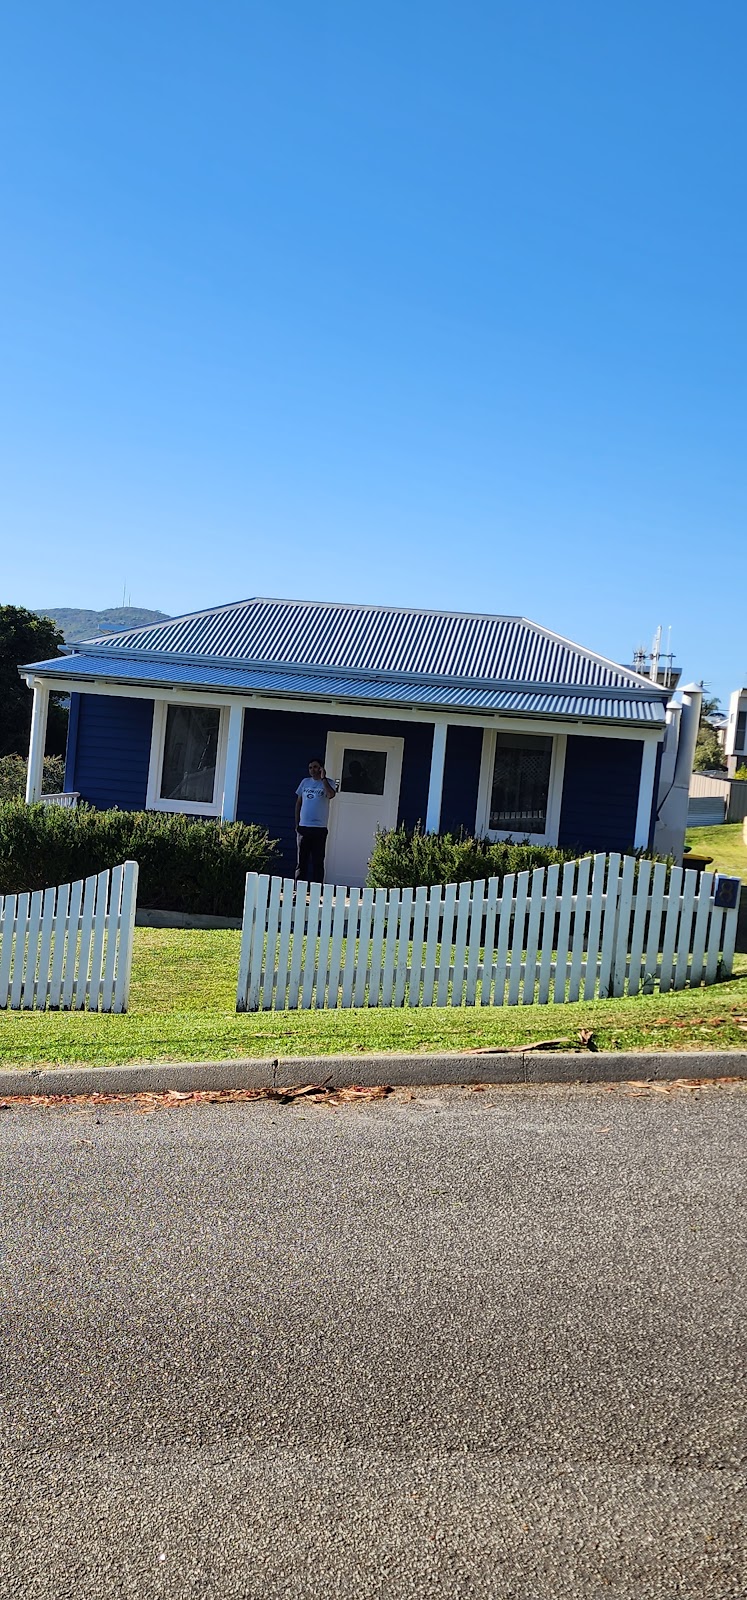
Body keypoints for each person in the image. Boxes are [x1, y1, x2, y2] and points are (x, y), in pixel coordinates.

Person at [295, 758, 338, 884]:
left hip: (319, 828)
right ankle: (299, 891)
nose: (312, 770)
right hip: (304, 827)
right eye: (310, 768)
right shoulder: (304, 782)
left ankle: (316, 891)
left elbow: (330, 795)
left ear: (321, 768)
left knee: (318, 862)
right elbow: (298, 803)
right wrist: (297, 824)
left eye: (315, 767)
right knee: (301, 861)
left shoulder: (329, 782)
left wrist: (323, 779)